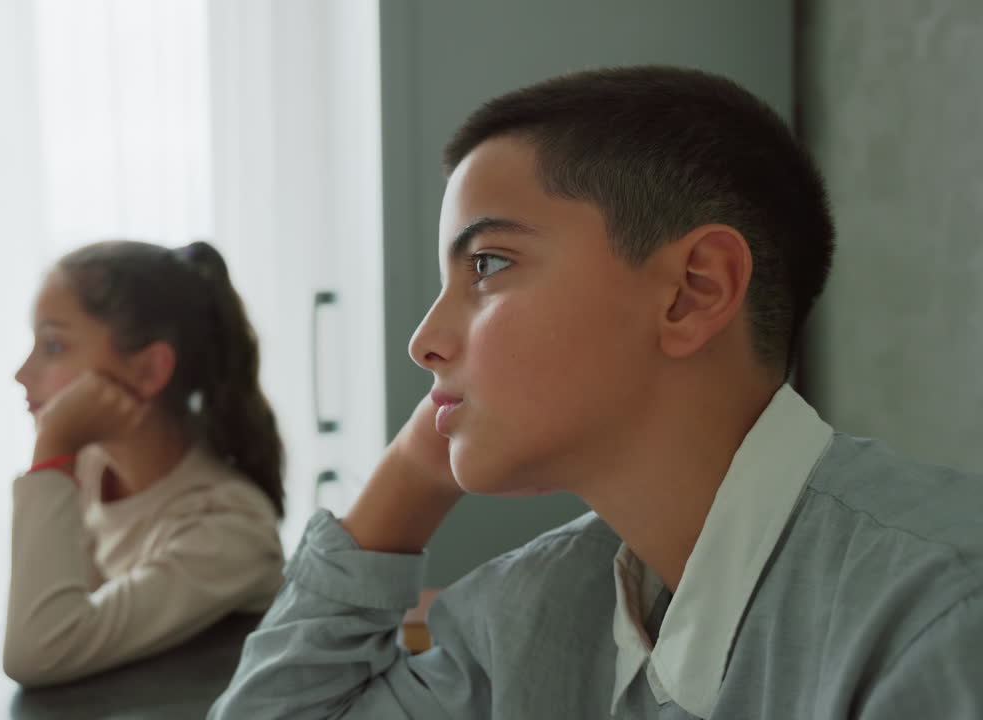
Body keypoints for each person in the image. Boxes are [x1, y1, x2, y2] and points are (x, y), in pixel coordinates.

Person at [210, 66, 983, 718]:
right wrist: (409, 477)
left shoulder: (939, 616)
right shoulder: (530, 608)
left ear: (693, 291)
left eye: (486, 265)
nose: (425, 342)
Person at [4, 240, 285, 688]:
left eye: (53, 346)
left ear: (150, 369)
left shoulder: (229, 530)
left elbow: (39, 651)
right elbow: (57, 611)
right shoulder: (92, 468)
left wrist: (53, 446)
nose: (21, 373)